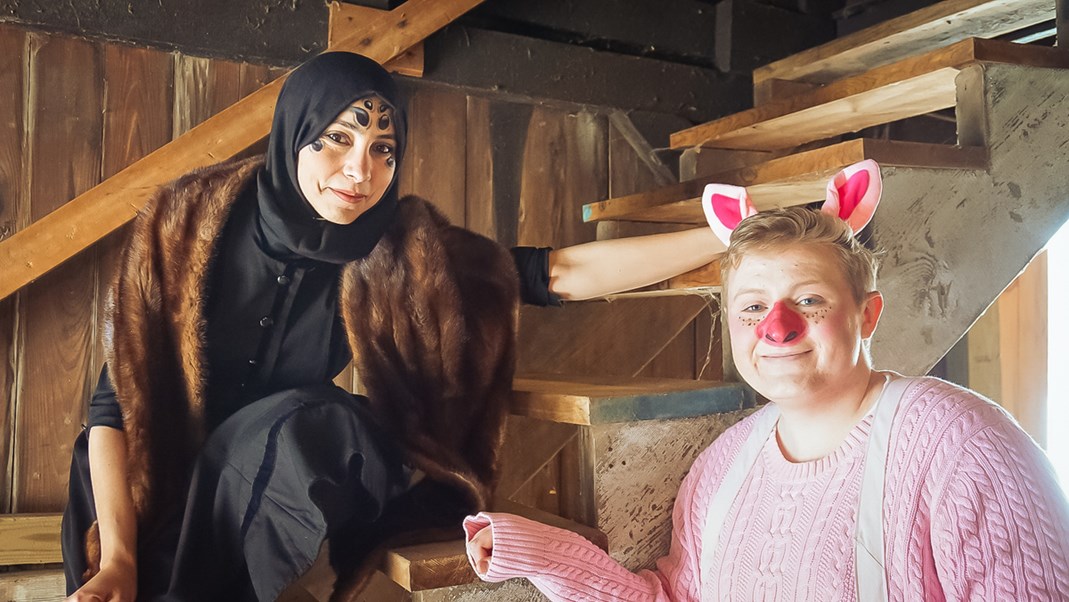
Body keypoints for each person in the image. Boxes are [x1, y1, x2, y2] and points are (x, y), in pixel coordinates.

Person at [61, 51, 725, 602]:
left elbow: (552, 274)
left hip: (264, 475)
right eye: (338, 139)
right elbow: (113, 411)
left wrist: (726, 236)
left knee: (322, 420)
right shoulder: (187, 224)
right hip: (140, 488)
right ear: (295, 132)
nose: (360, 170)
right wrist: (118, 559)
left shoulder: (394, 252)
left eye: (384, 148)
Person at [464, 161, 1069, 600]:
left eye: (807, 300)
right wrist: (535, 552)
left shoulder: (963, 445)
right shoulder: (720, 468)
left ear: (867, 315)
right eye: (752, 307)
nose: (775, 327)